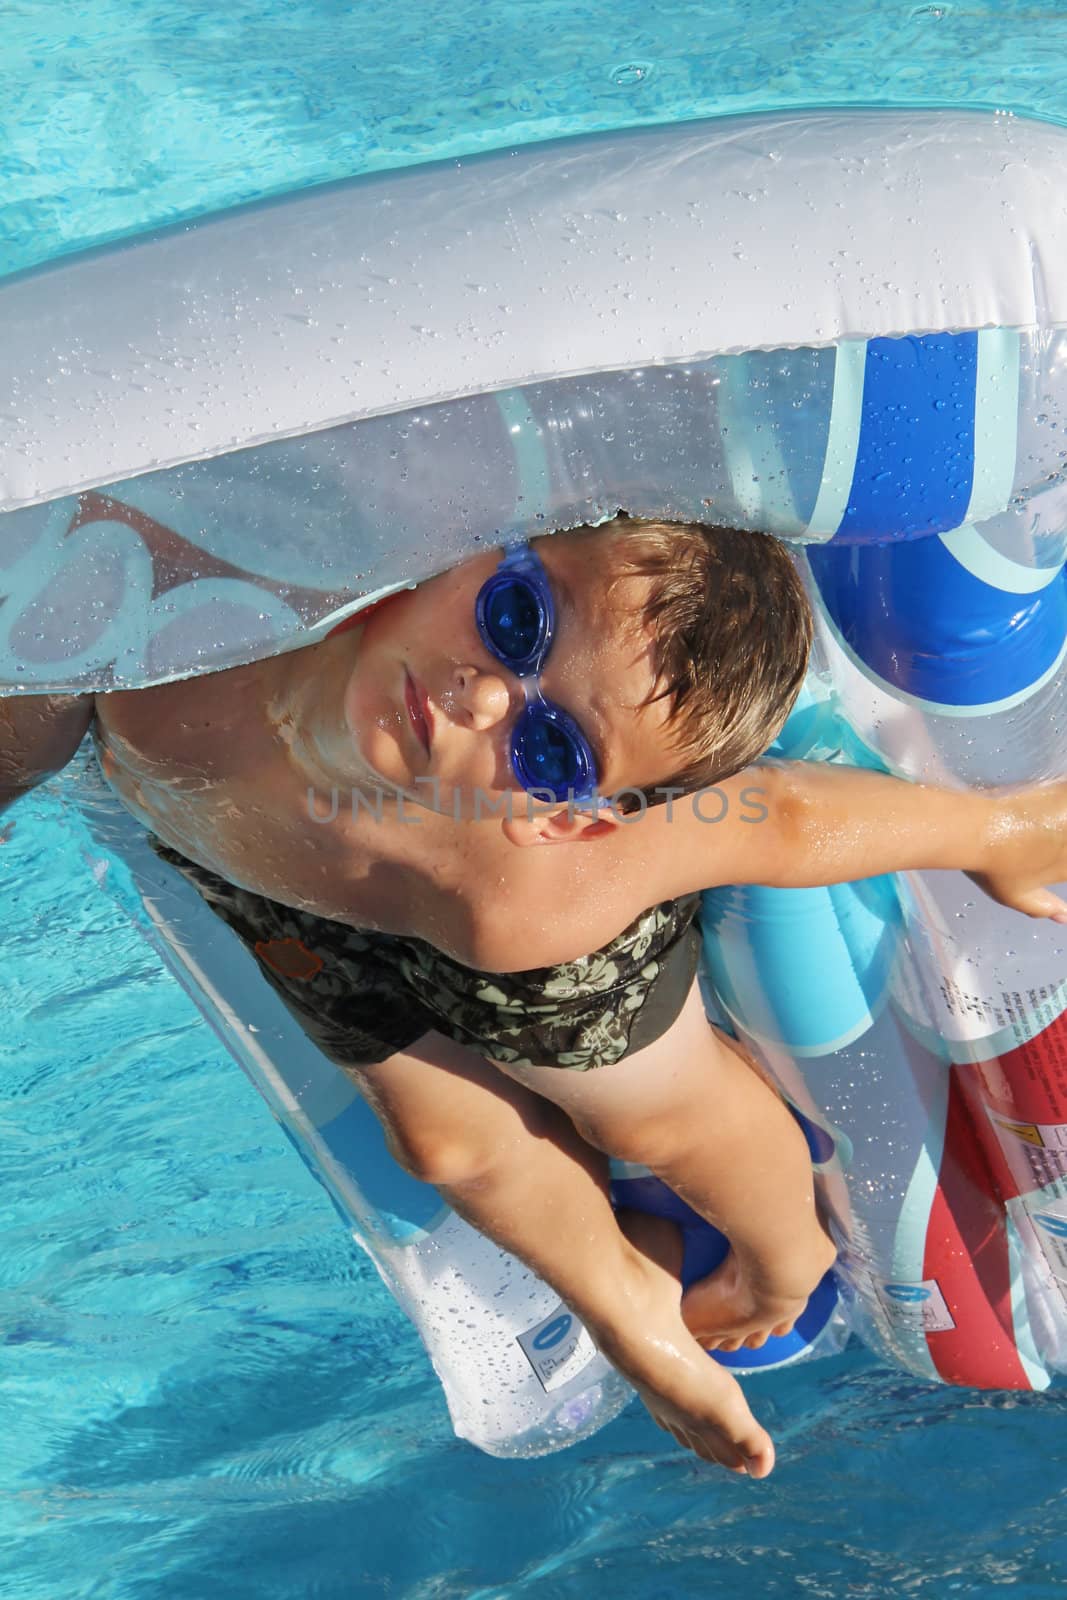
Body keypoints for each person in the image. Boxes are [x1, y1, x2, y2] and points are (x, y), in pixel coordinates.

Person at [3, 513, 1066, 1478]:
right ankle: (625, 1301)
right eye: (516, 616)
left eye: (547, 748)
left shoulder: (548, 882)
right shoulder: (210, 610)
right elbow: (41, 660)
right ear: (476, 543)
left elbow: (772, 816)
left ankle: (783, 1257)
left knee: (665, 1114)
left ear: (575, 815)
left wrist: (995, 836)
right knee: (445, 1145)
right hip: (272, 879)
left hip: (510, 939)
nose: (481, 695)